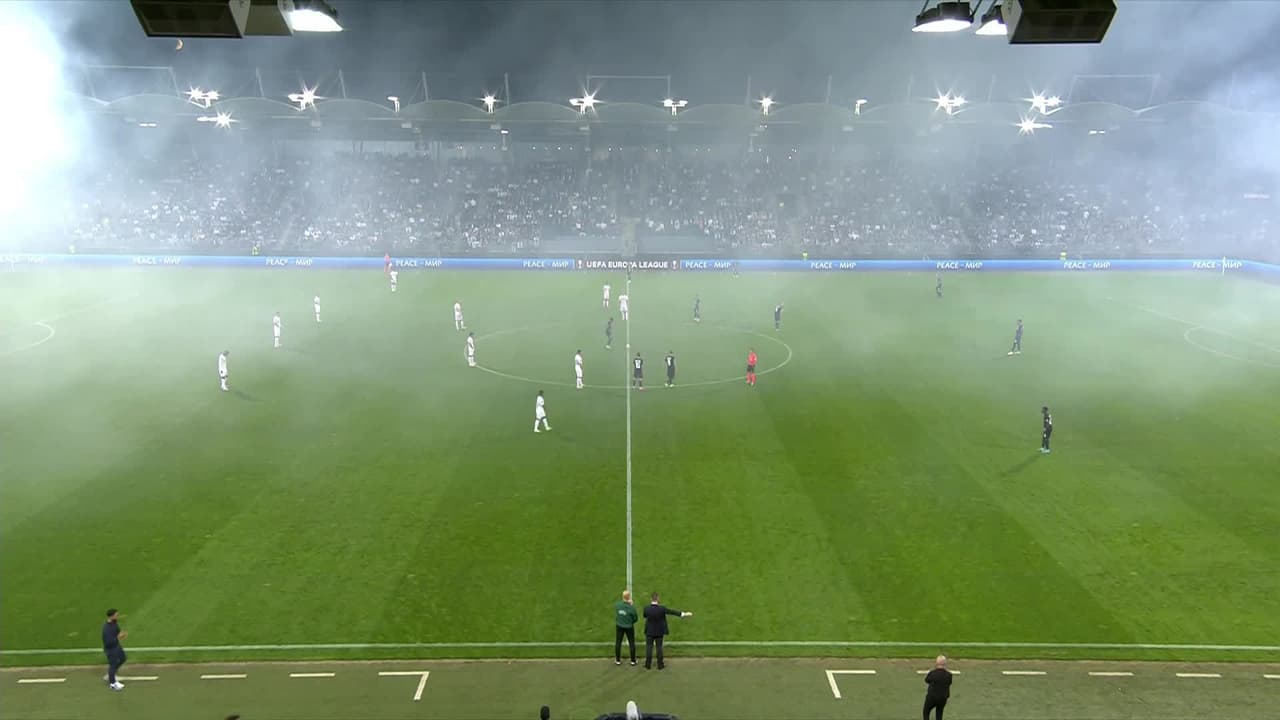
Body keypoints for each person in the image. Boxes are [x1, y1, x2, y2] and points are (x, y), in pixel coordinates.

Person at [643, 592, 691, 670]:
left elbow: (645, 616)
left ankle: (648, 665)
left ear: (651, 599)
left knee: (649, 647)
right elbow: (672, 612)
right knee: (659, 648)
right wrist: (683, 614)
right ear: (657, 599)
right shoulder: (662, 608)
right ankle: (660, 665)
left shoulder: (646, 608)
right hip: (659, 631)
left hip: (649, 631)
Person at [102, 609, 127, 691]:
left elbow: (117, 632)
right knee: (113, 664)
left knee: (123, 658)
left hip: (116, 646)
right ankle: (112, 683)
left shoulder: (114, 623)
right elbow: (108, 642)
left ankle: (110, 675)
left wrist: (121, 635)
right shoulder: (107, 628)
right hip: (110, 649)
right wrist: (119, 637)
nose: (117, 616)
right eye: (116, 615)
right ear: (111, 616)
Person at [923, 655, 953, 720]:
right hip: (943, 698)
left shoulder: (932, 673)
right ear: (945, 664)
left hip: (932, 698)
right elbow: (949, 683)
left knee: (926, 712)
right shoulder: (949, 675)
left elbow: (927, 680)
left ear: (936, 663)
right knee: (939, 713)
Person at [614, 590, 638, 666]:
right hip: (629, 627)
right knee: (631, 643)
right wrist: (630, 605)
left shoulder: (617, 605)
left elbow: (618, 610)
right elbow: (635, 618)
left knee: (618, 642)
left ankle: (618, 660)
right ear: (629, 597)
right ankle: (633, 661)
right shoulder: (631, 608)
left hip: (619, 626)